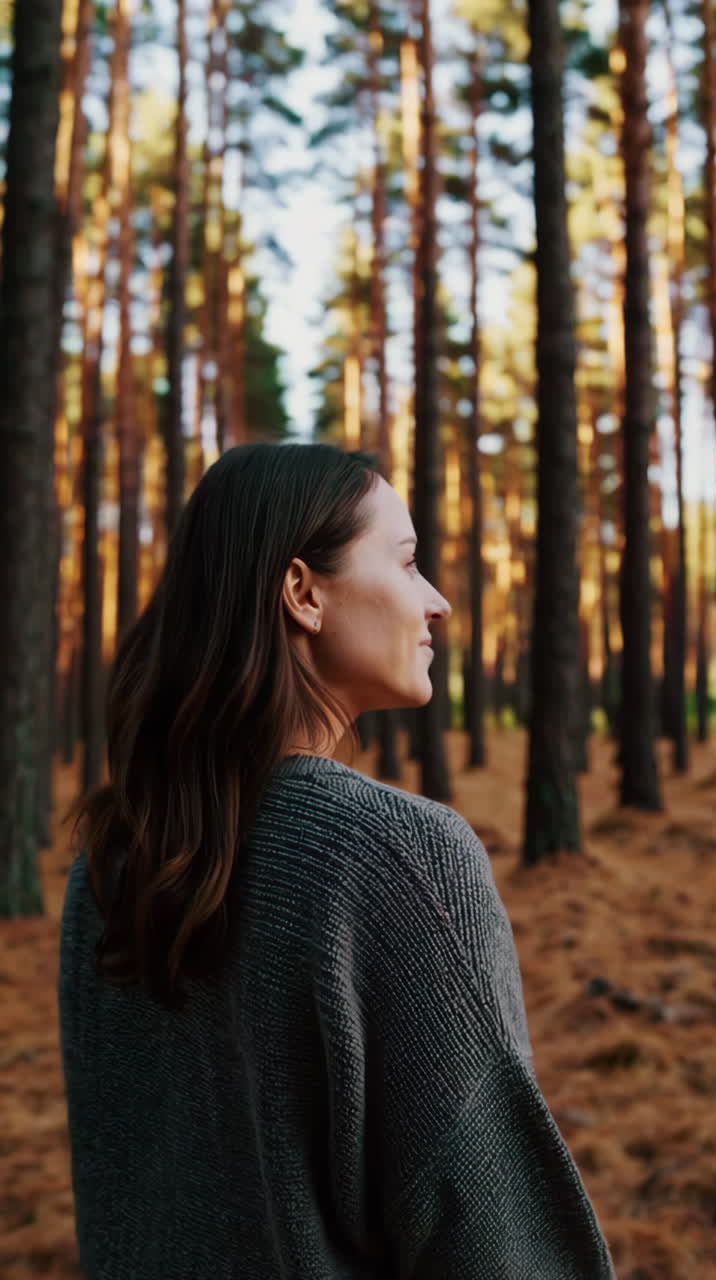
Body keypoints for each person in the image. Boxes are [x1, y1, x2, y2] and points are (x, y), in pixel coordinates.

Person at [58, 442, 615, 1279]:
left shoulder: (108, 872)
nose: (437, 602)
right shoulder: (395, 860)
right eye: (407, 561)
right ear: (302, 593)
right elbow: (502, 1247)